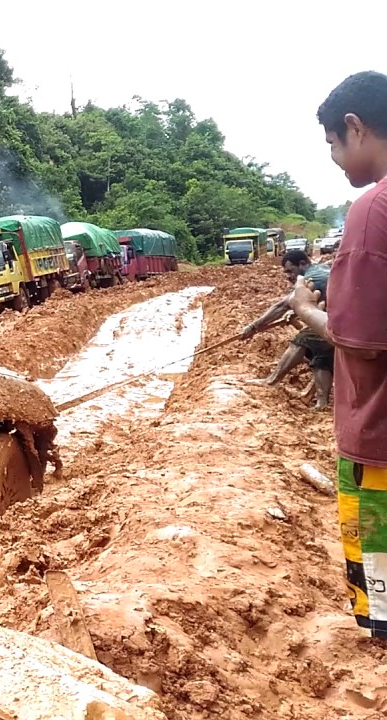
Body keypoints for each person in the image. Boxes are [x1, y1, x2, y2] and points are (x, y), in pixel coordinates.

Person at [289, 70, 387, 639]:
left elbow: (364, 342)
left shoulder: (373, 210)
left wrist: (305, 310)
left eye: (331, 143)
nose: (332, 156)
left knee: (383, 590)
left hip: (379, 436)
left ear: (354, 127)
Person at [242, 249, 334, 409]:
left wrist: (254, 326)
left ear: (303, 264)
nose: (288, 276)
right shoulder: (322, 269)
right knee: (322, 356)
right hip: (347, 321)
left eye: (291, 271)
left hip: (337, 321)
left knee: (303, 339)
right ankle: (321, 402)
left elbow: (282, 305)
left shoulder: (310, 277)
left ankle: (272, 380)